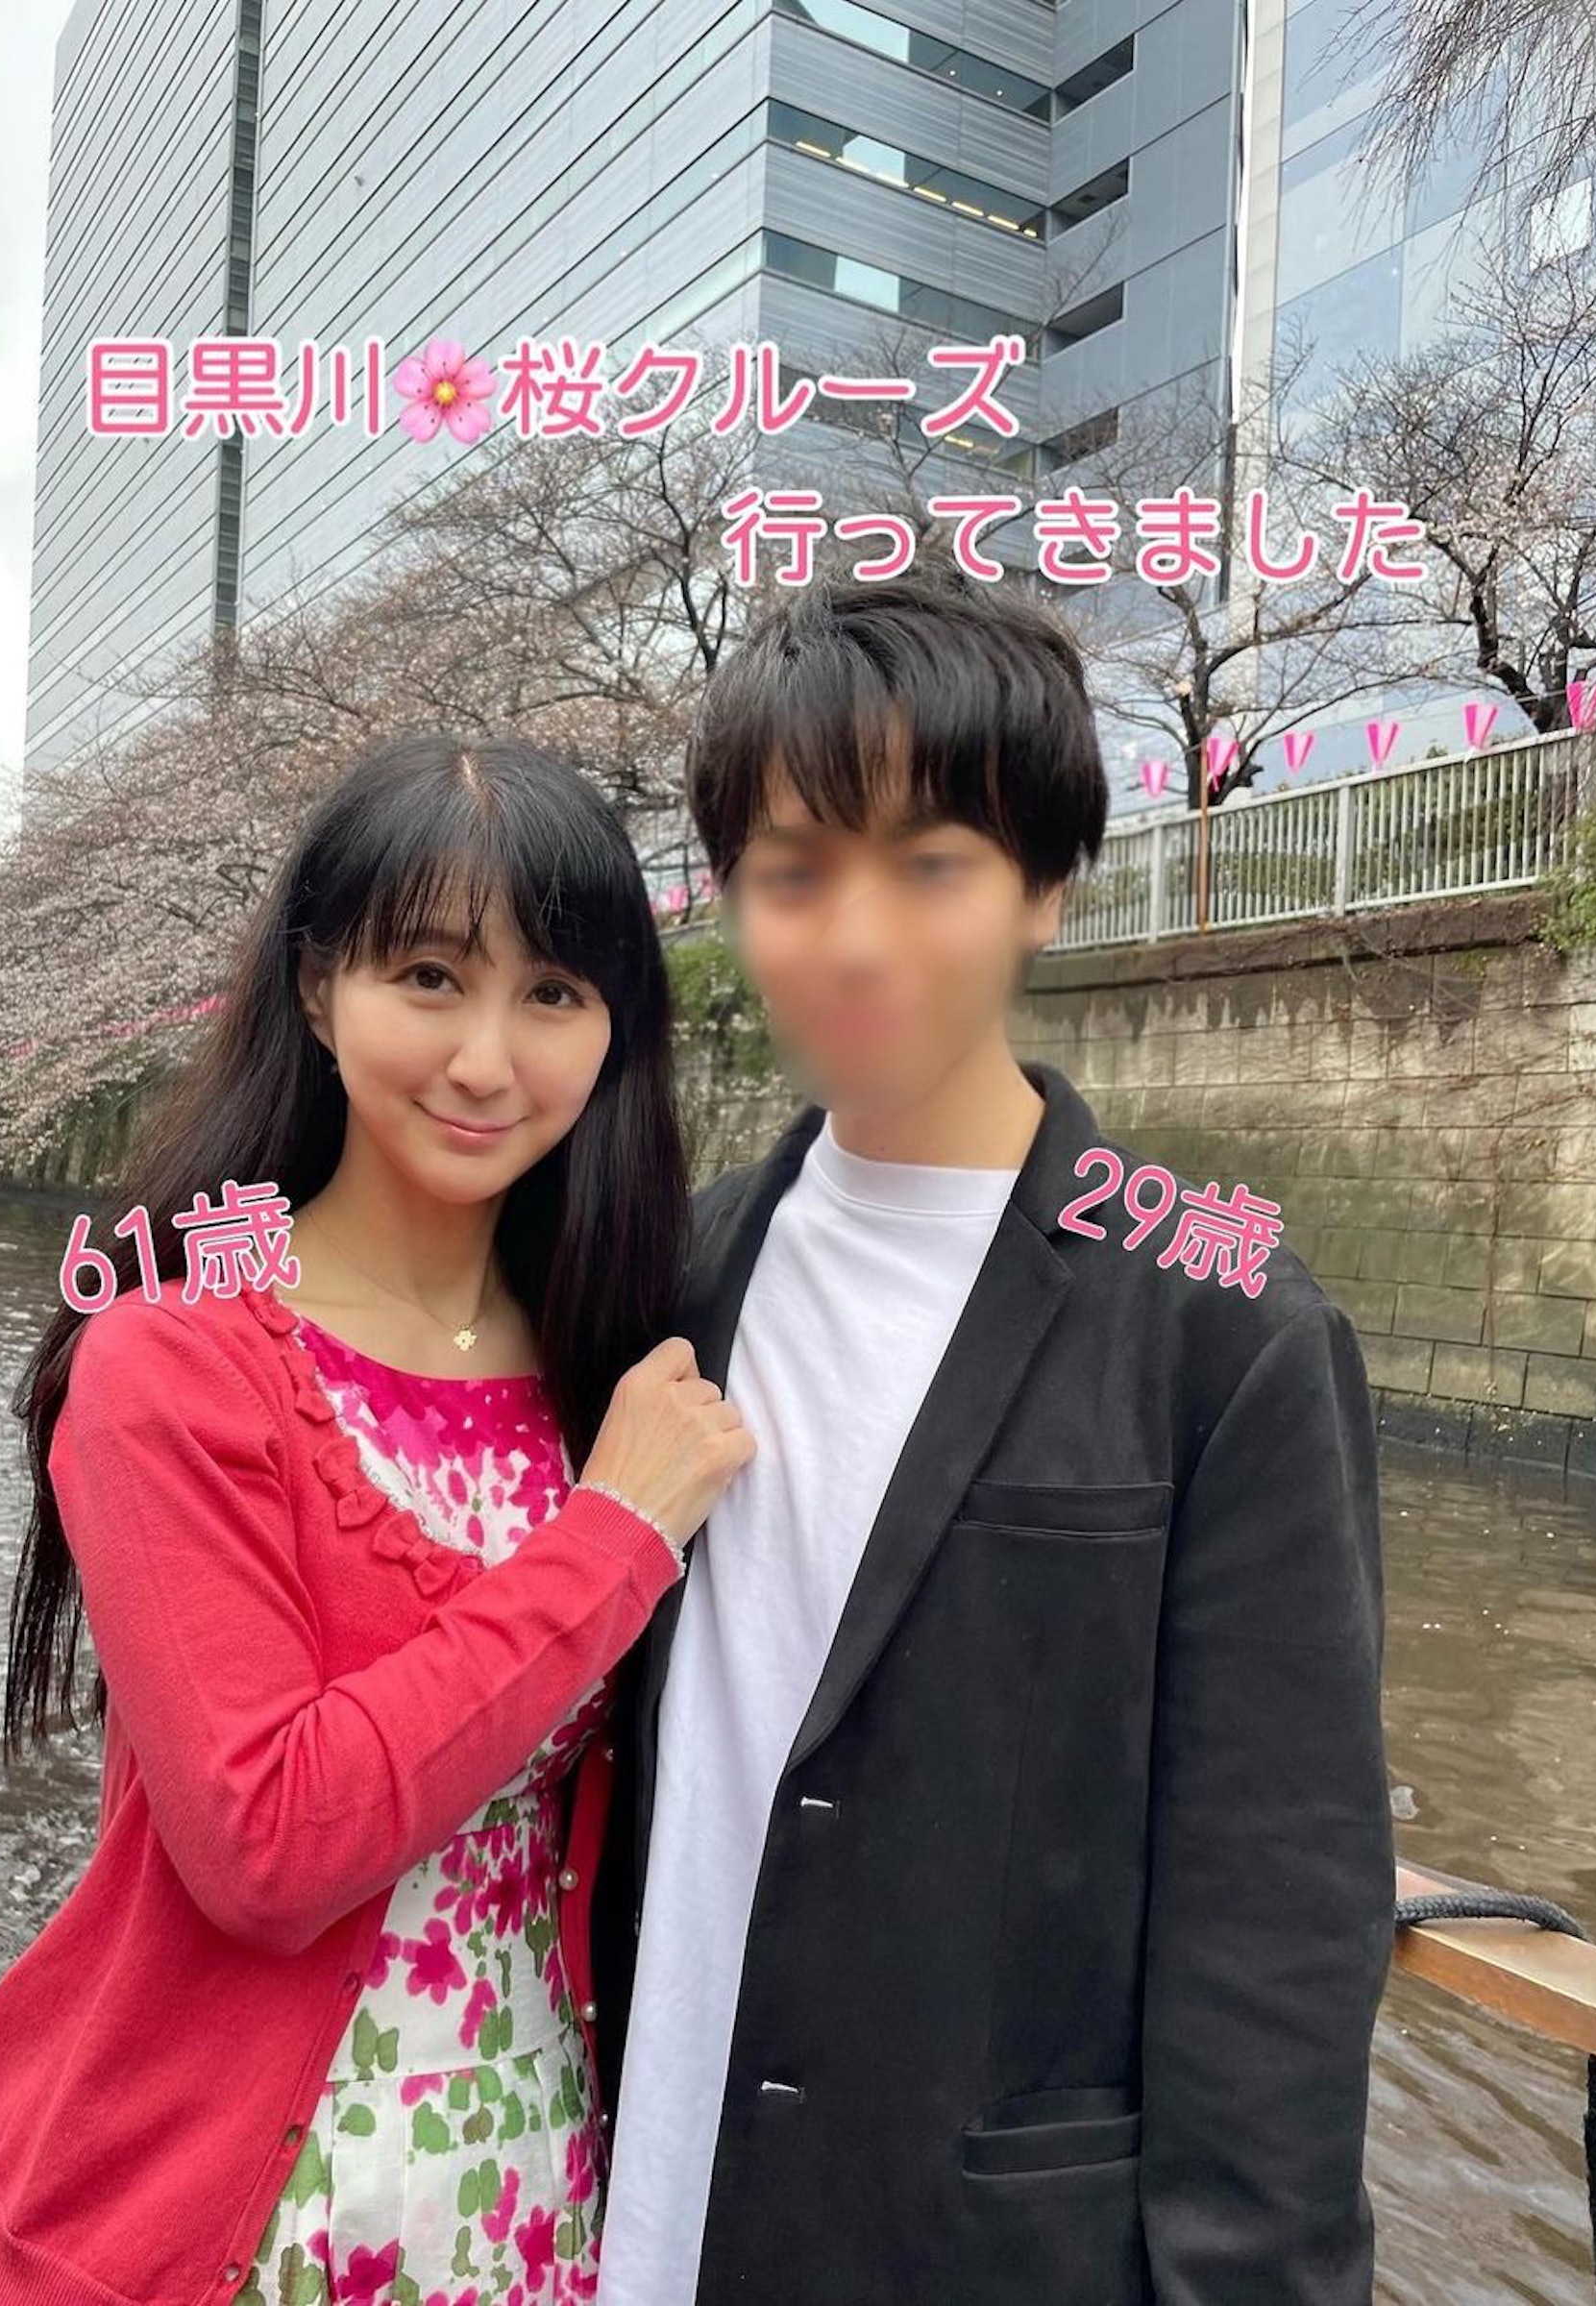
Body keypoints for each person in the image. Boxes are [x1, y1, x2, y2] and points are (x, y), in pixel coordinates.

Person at [589, 571, 1397, 2306]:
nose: (857, 938)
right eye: (796, 872)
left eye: (932, 864)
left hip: (978, 2250)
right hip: (649, 2206)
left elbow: (1281, 1913)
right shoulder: (677, 1271)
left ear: (1046, 887)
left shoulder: (1221, 1326)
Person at [0, 732, 753, 2306]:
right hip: (174, 2238)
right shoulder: (175, 1358)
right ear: (317, 989)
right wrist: (612, 1539)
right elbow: (266, 1843)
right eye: (428, 977)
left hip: (516, 2209)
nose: (487, 1059)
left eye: (552, 994)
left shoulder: (615, 1365)